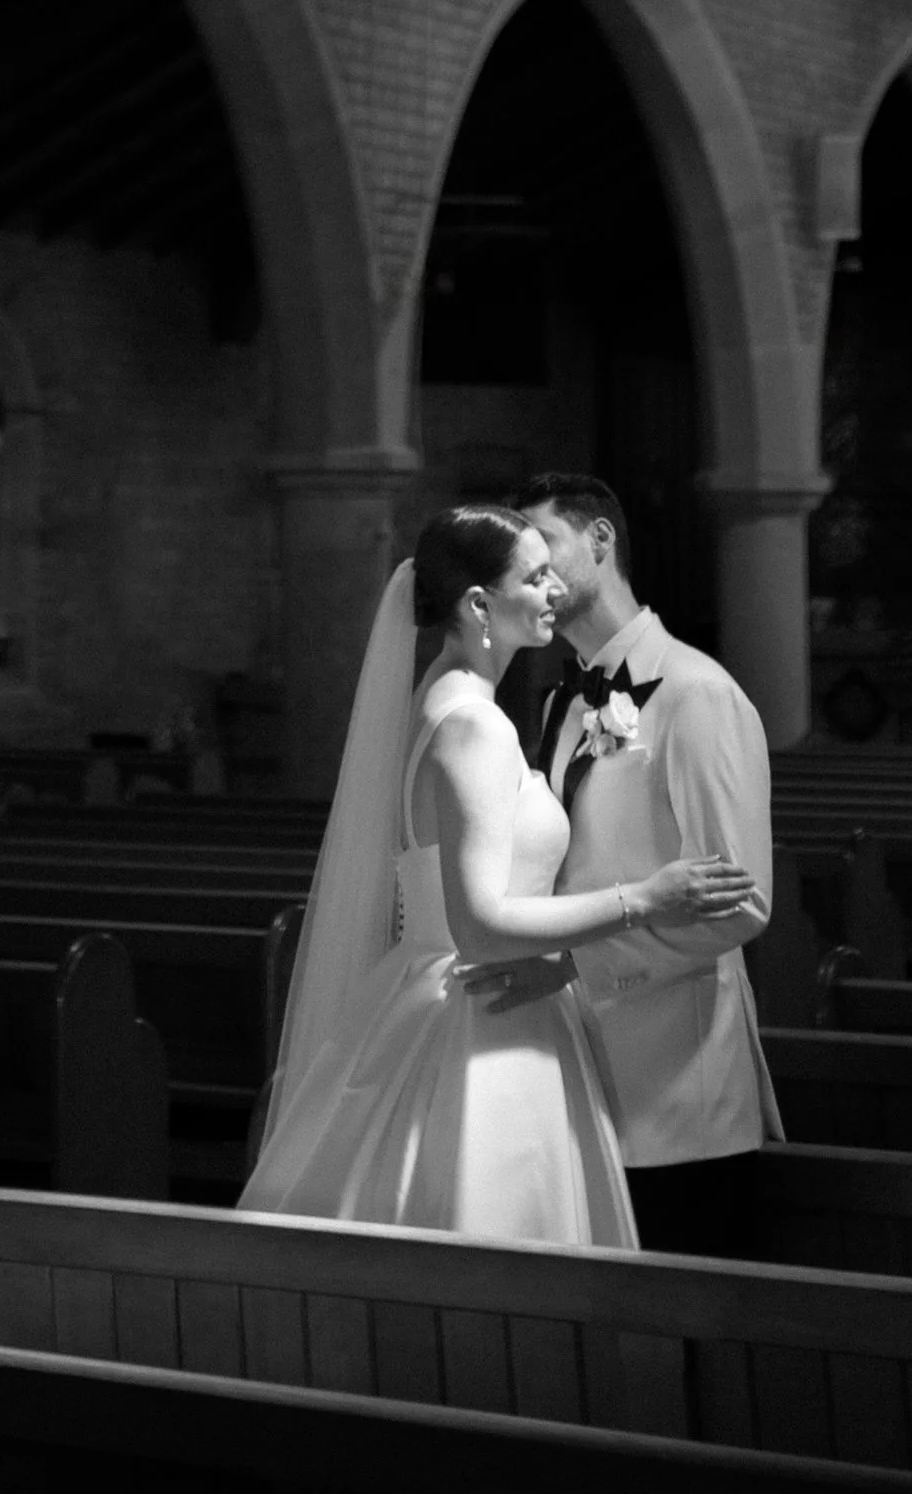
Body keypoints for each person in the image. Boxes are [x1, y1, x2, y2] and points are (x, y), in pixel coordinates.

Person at [239, 505, 756, 1244]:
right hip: (478, 1017)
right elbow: (480, 924)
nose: (552, 591)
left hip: (455, 997)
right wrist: (646, 897)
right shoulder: (473, 725)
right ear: (479, 603)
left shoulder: (448, 704)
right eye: (534, 577)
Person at [507, 471, 781, 1258]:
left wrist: (569, 965)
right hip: (580, 1082)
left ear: (601, 539)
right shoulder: (561, 705)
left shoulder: (700, 695)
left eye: (547, 546)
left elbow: (741, 905)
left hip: (681, 1097)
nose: (538, 577)